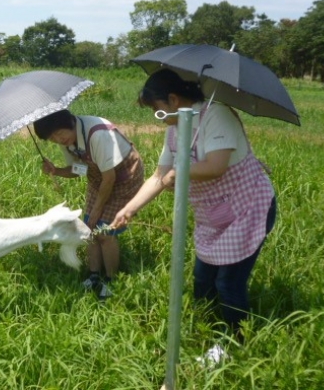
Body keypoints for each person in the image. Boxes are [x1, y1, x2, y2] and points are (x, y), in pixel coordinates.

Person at [112, 69, 277, 358]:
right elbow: (158, 177)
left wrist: (179, 171)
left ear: (173, 99)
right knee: (203, 278)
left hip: (248, 209)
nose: (156, 115)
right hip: (214, 217)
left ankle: (235, 342)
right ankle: (206, 329)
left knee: (228, 282)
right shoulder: (175, 130)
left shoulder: (216, 115)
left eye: (156, 108)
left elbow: (215, 165)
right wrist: (129, 209)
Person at [33, 109, 144, 301]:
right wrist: (56, 170)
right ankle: (94, 276)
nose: (59, 140)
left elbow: (110, 179)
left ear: (70, 122)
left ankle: (111, 280)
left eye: (59, 134)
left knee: (105, 232)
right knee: (89, 229)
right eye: (52, 139)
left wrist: (97, 210)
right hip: (99, 177)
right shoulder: (68, 141)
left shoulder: (97, 134)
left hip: (123, 176)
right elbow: (80, 170)